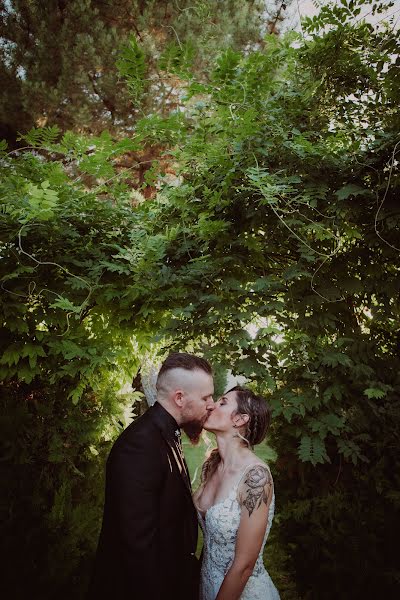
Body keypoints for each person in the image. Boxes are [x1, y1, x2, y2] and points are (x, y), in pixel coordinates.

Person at [87, 352, 215, 600]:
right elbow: (137, 546)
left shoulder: (166, 432)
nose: (211, 403)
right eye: (206, 397)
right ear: (180, 398)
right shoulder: (140, 445)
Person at [193, 386, 280, 600]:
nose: (212, 405)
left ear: (240, 419)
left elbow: (244, 565)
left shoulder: (256, 477)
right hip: (207, 588)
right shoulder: (212, 466)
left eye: (222, 402)